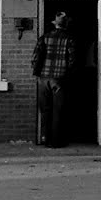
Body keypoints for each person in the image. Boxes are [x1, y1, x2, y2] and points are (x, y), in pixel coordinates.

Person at [31, 10, 76, 147]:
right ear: (65, 25)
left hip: (44, 77)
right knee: (58, 110)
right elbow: (72, 60)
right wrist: (68, 74)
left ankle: (45, 138)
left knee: (45, 110)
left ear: (55, 24)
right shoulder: (69, 39)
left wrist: (38, 73)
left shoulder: (44, 38)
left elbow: (35, 58)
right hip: (60, 78)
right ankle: (56, 141)